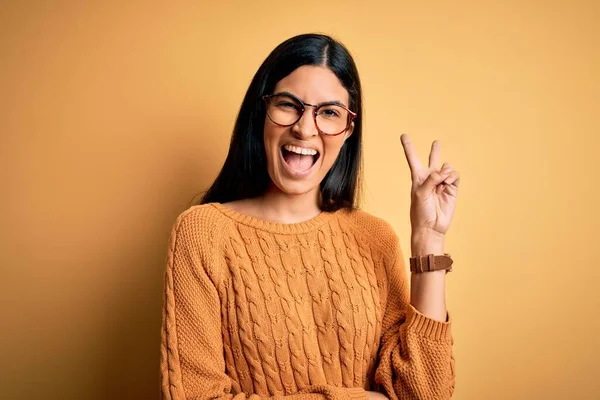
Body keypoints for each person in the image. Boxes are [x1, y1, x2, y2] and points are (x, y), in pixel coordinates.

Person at [160, 33, 460, 400]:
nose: (305, 128)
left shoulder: (376, 237)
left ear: (349, 130)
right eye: (289, 105)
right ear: (262, 112)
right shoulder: (203, 233)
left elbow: (424, 395)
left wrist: (428, 241)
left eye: (329, 113)